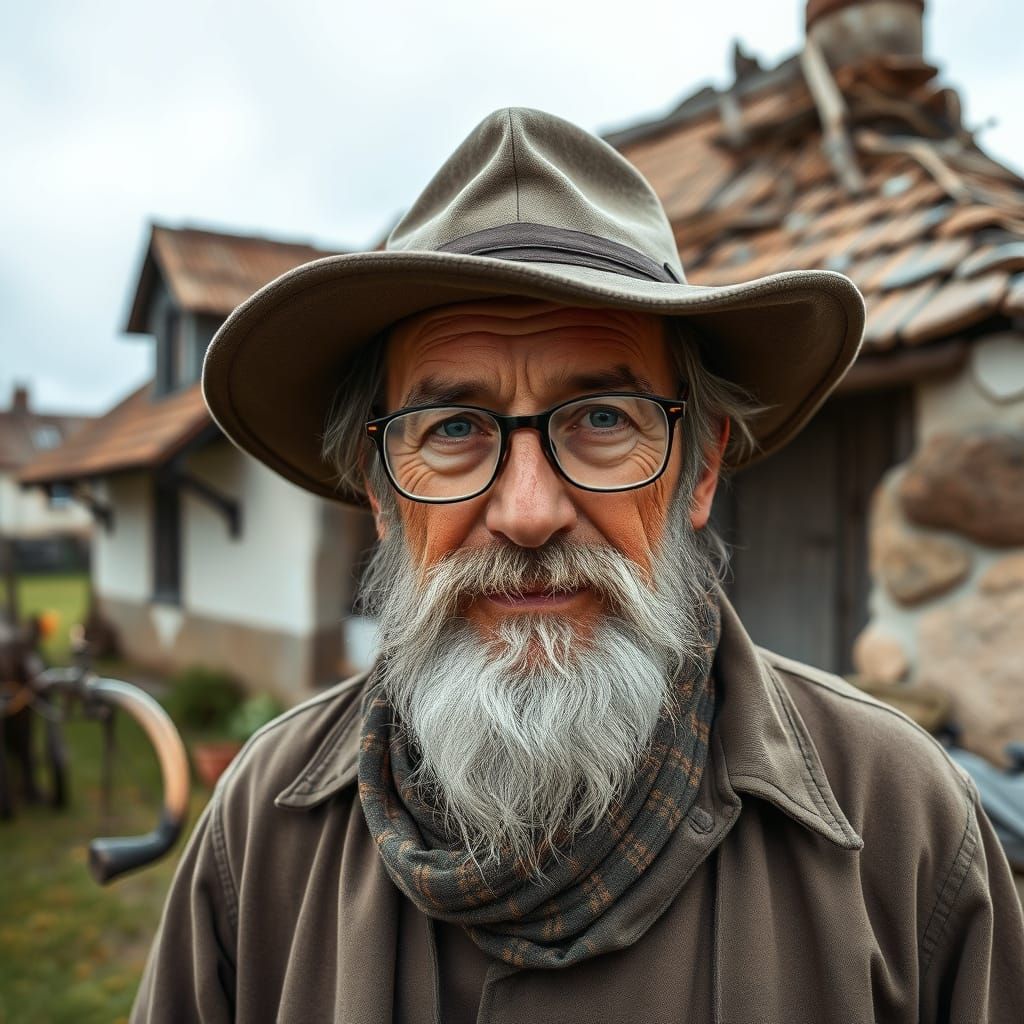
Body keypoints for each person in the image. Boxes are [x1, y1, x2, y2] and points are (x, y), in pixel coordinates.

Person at [133, 108, 1024, 1023]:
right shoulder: (259, 835)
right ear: (383, 493)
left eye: (603, 419)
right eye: (453, 428)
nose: (528, 514)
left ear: (700, 468)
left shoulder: (902, 827)